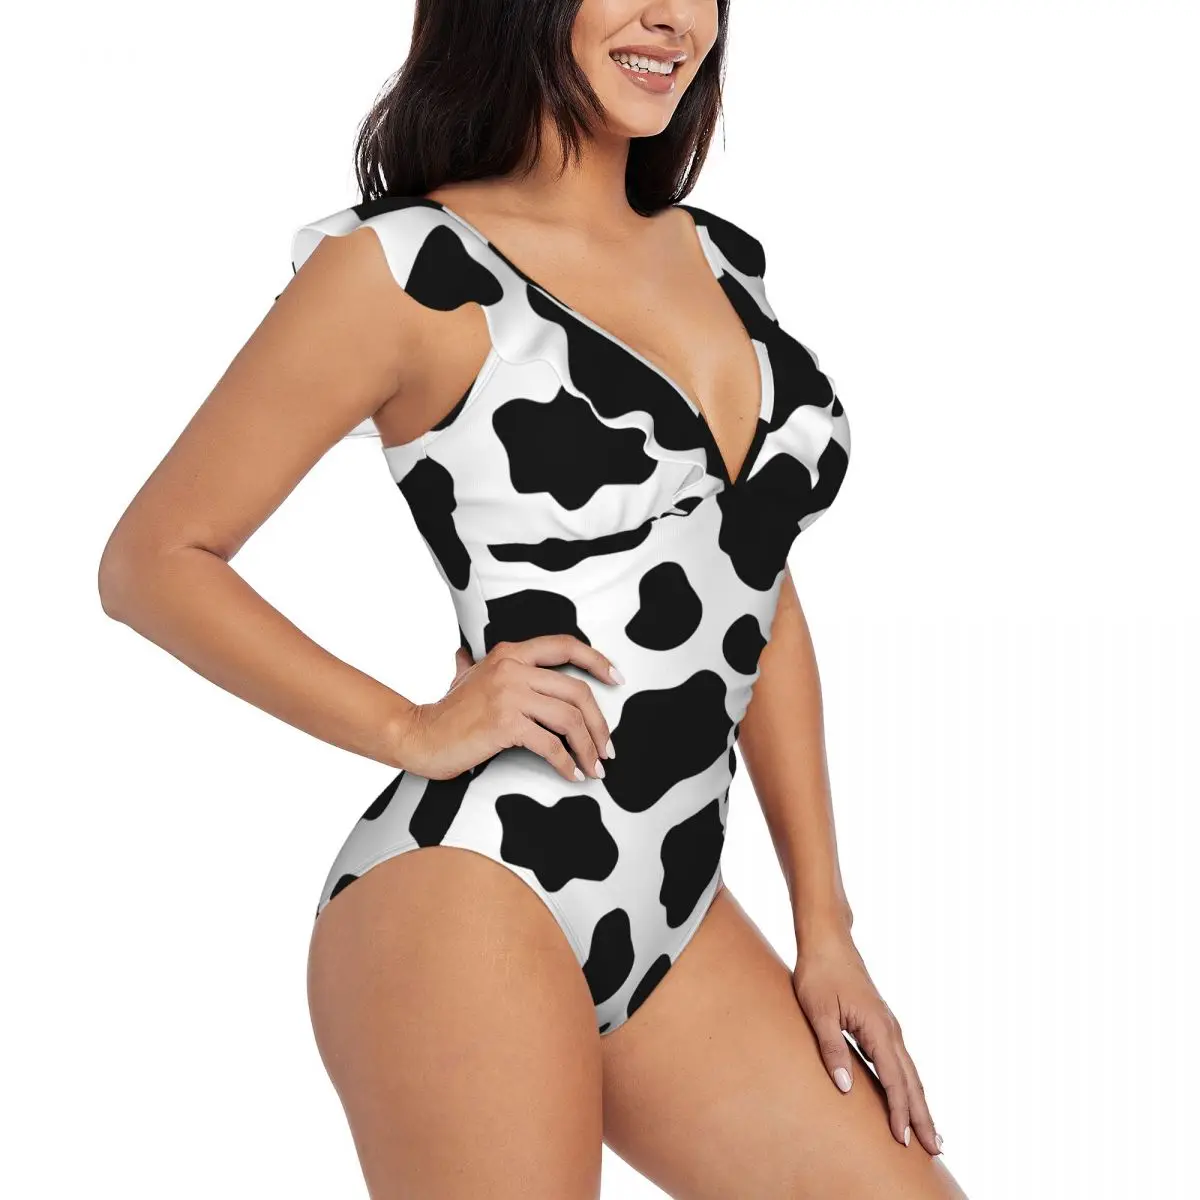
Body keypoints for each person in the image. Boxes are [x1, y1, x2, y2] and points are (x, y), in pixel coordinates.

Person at [98, 2, 967, 1196]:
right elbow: (153, 560)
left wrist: (826, 923)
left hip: (673, 912)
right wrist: (412, 726)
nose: (672, 15)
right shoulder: (408, 268)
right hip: (473, 892)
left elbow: (755, 583)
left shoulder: (722, 261)